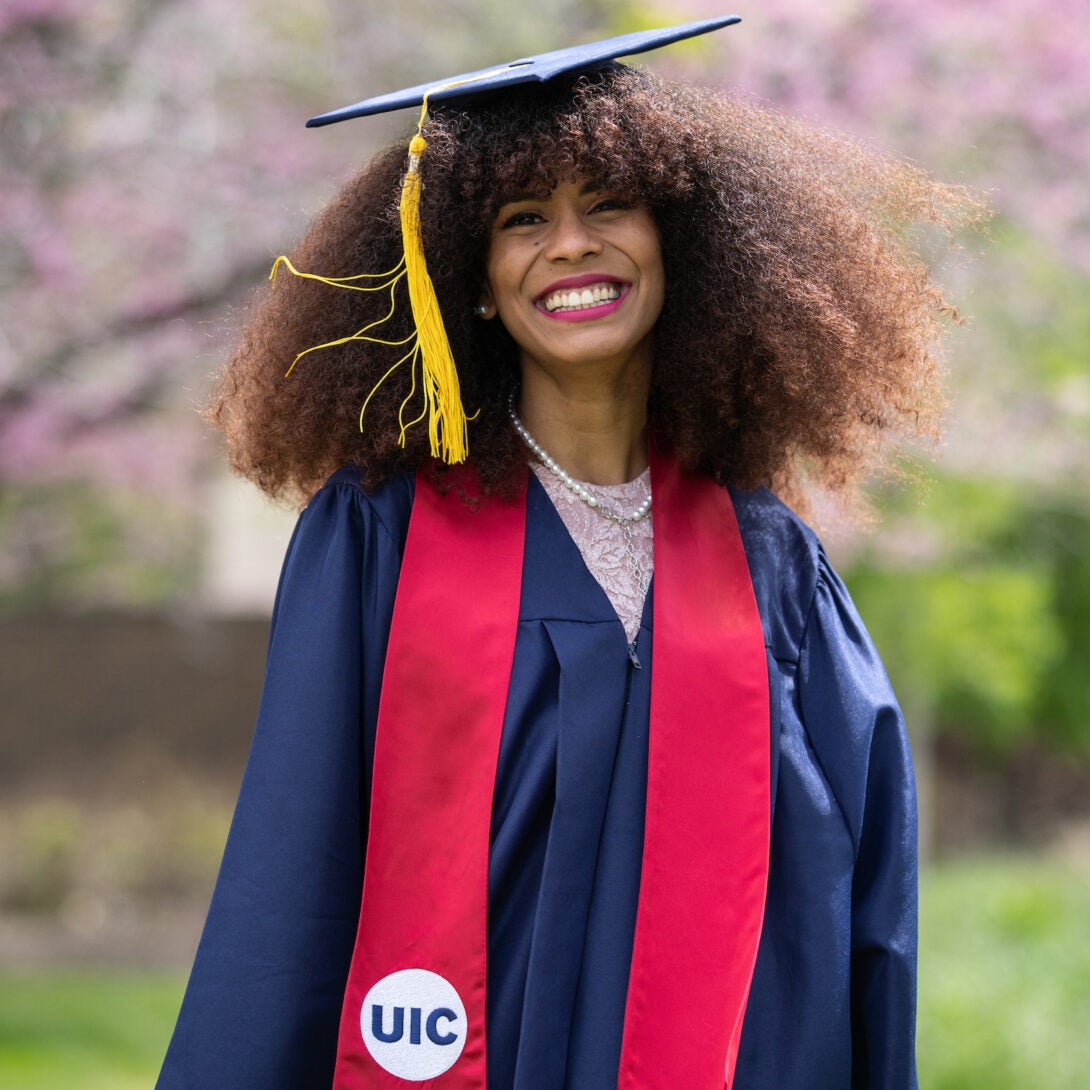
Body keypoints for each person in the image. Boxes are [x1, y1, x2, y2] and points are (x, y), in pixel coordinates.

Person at [157, 17, 981, 1090]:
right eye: (521, 219)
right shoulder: (378, 538)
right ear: (473, 275)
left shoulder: (772, 566)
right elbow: (291, 863)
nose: (571, 245)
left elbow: (865, 882)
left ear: (682, 243)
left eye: (608, 203)